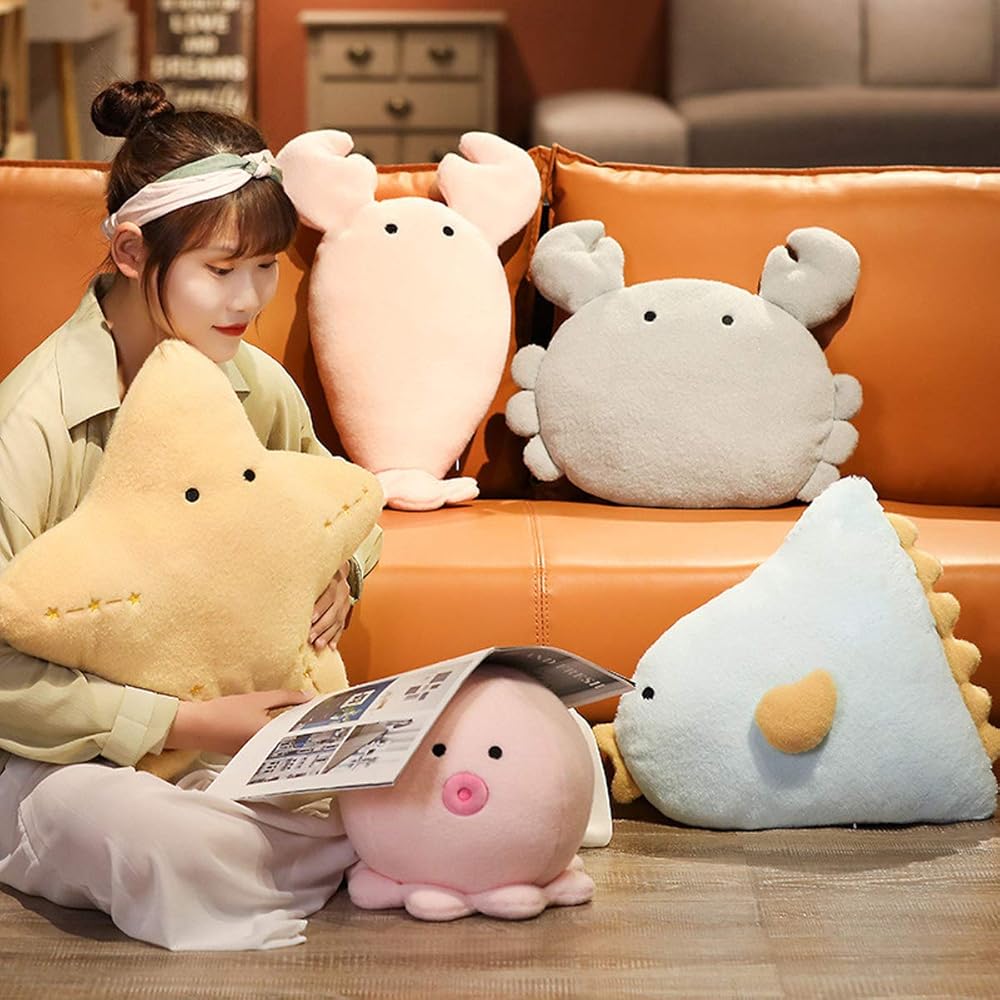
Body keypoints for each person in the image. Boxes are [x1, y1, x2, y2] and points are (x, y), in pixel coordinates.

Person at [0, 80, 382, 950]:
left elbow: (337, 502)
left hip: (237, 738)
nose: (249, 300)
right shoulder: (31, 423)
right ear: (132, 253)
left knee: (437, 762)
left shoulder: (251, 381)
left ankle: (323, 845)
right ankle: (345, 856)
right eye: (220, 270)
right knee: (145, 834)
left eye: (266, 266)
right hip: (62, 762)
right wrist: (180, 724)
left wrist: (344, 573)